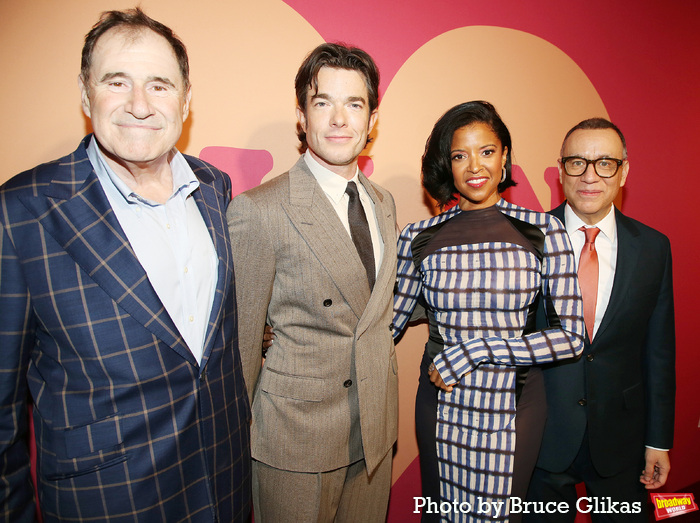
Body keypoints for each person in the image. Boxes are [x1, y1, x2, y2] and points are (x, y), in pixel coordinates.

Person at [0, 9, 251, 522]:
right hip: (110, 503)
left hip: (224, 484)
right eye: (118, 81)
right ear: (86, 92)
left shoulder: (214, 188)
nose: (140, 105)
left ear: (186, 99)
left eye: (160, 85)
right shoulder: (22, 211)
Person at [227, 43, 398, 522]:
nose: (339, 119)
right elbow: (241, 348)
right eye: (323, 103)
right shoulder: (260, 210)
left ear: (373, 118)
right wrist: (235, 443)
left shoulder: (383, 203)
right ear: (301, 116)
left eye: (354, 104)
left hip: (375, 431)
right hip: (296, 441)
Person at [393, 101, 585, 522]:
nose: (474, 166)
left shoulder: (543, 231)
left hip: (514, 406)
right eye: (460, 155)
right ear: (447, 165)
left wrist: (477, 349)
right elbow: (385, 324)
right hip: (441, 402)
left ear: (504, 157)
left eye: (487, 151)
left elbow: (571, 337)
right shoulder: (417, 236)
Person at [526, 118, 675, 521]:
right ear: (560, 171)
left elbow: (659, 353)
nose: (590, 175)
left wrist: (658, 441)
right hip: (543, 436)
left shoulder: (654, 249)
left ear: (624, 171)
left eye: (605, 163)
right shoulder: (527, 242)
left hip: (621, 441)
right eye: (577, 162)